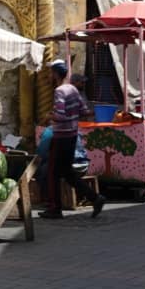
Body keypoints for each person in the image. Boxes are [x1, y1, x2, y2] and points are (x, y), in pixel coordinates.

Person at [40, 60, 106, 219]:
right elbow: (84, 111)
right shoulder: (73, 90)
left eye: (50, 73)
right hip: (71, 137)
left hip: (61, 138)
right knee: (67, 172)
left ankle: (54, 209)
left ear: (56, 74)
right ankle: (95, 198)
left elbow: (61, 115)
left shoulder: (60, 91)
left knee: (52, 173)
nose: (49, 76)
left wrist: (50, 116)